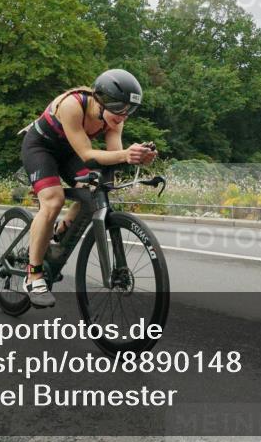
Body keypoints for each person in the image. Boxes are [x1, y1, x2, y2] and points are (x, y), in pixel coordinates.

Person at [19, 69, 157, 308]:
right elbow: (87, 153)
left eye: (129, 110)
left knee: (97, 187)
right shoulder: (72, 105)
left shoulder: (115, 118)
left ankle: (61, 231)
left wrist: (134, 157)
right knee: (53, 200)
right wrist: (125, 154)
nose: (123, 116)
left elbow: (113, 155)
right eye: (119, 108)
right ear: (100, 100)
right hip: (41, 148)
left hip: (69, 151)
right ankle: (33, 275)